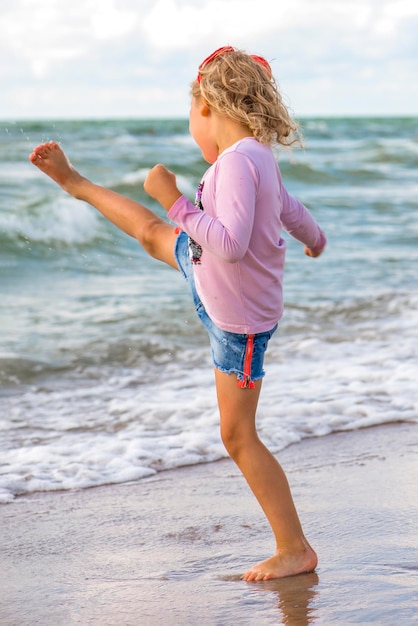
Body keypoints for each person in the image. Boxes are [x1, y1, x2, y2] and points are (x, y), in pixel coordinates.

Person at [29, 46, 326, 581]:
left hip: (238, 321)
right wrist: (314, 237)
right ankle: (76, 184)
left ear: (208, 106)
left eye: (191, 116)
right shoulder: (255, 155)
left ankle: (294, 548)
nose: (192, 127)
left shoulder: (236, 162)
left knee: (238, 437)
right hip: (207, 271)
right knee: (148, 235)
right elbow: (289, 209)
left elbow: (232, 244)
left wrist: (175, 200)